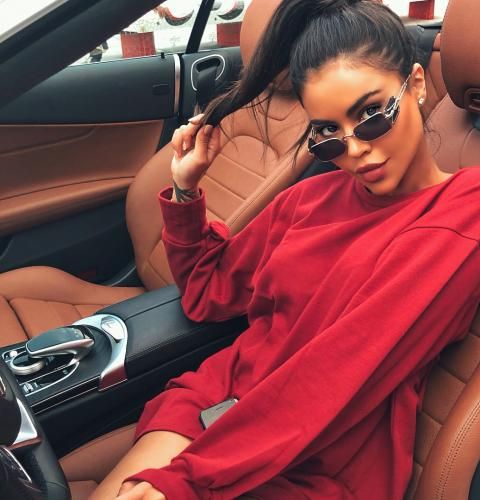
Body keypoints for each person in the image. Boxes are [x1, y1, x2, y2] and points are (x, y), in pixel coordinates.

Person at [89, 0, 480, 498]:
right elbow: (208, 293)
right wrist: (186, 191)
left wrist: (184, 481)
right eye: (328, 134)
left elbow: (339, 374)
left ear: (417, 84)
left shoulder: (462, 213)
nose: (355, 148)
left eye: (371, 114)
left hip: (322, 457)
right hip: (222, 400)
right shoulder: (309, 199)